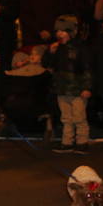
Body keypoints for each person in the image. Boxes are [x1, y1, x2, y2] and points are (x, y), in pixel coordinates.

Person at [42, 15, 92, 154]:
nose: (59, 34)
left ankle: (82, 142)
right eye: (57, 31)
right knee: (66, 118)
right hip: (62, 90)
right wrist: (50, 53)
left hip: (77, 90)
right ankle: (67, 142)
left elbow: (87, 69)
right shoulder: (56, 48)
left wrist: (87, 87)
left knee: (79, 117)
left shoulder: (80, 48)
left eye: (63, 31)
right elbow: (46, 64)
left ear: (71, 32)